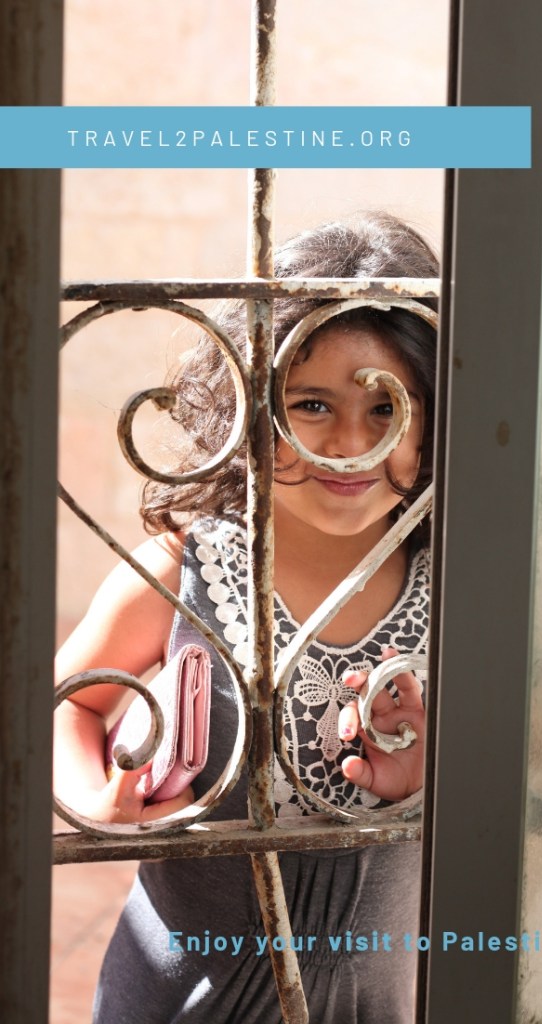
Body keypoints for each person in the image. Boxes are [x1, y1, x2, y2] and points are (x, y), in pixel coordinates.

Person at [53, 211, 438, 1023]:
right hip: (174, 999)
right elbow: (66, 702)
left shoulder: (460, 589)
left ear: (435, 417)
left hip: (376, 1004)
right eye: (309, 404)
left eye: (384, 411)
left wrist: (441, 782)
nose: (349, 446)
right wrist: (98, 798)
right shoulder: (183, 568)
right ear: (248, 404)